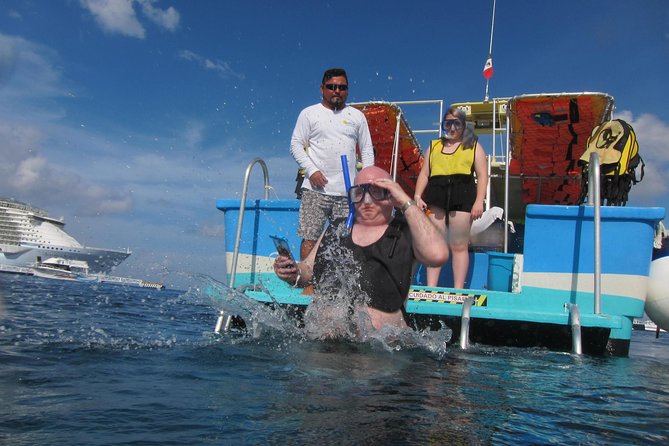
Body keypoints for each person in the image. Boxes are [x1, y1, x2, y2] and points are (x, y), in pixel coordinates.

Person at [273, 166, 448, 331]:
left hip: (381, 352)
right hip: (324, 346)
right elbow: (308, 270)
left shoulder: (405, 230)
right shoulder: (337, 228)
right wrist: (293, 272)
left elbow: (437, 254)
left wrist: (405, 202)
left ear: (391, 193)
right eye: (359, 192)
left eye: (376, 191)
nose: (367, 200)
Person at [290, 68, 375, 260]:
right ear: (322, 89)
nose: (337, 90)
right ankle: (308, 284)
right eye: (332, 87)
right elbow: (295, 145)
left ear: (347, 90)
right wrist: (311, 171)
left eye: (342, 87)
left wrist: (365, 184)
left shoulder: (357, 116)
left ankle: (340, 285)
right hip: (315, 190)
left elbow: (367, 150)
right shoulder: (309, 113)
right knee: (309, 236)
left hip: (348, 192)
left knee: (347, 241)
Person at [413, 106, 488, 288]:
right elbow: (424, 174)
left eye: (457, 123)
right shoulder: (433, 146)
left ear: (463, 125)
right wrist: (417, 195)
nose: (452, 128)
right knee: (435, 244)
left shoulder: (474, 146)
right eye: (448, 123)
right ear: (443, 125)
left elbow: (483, 175)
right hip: (436, 195)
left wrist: (479, 201)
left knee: (458, 245)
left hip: (462, 195)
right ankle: (431, 287)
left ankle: (458, 290)